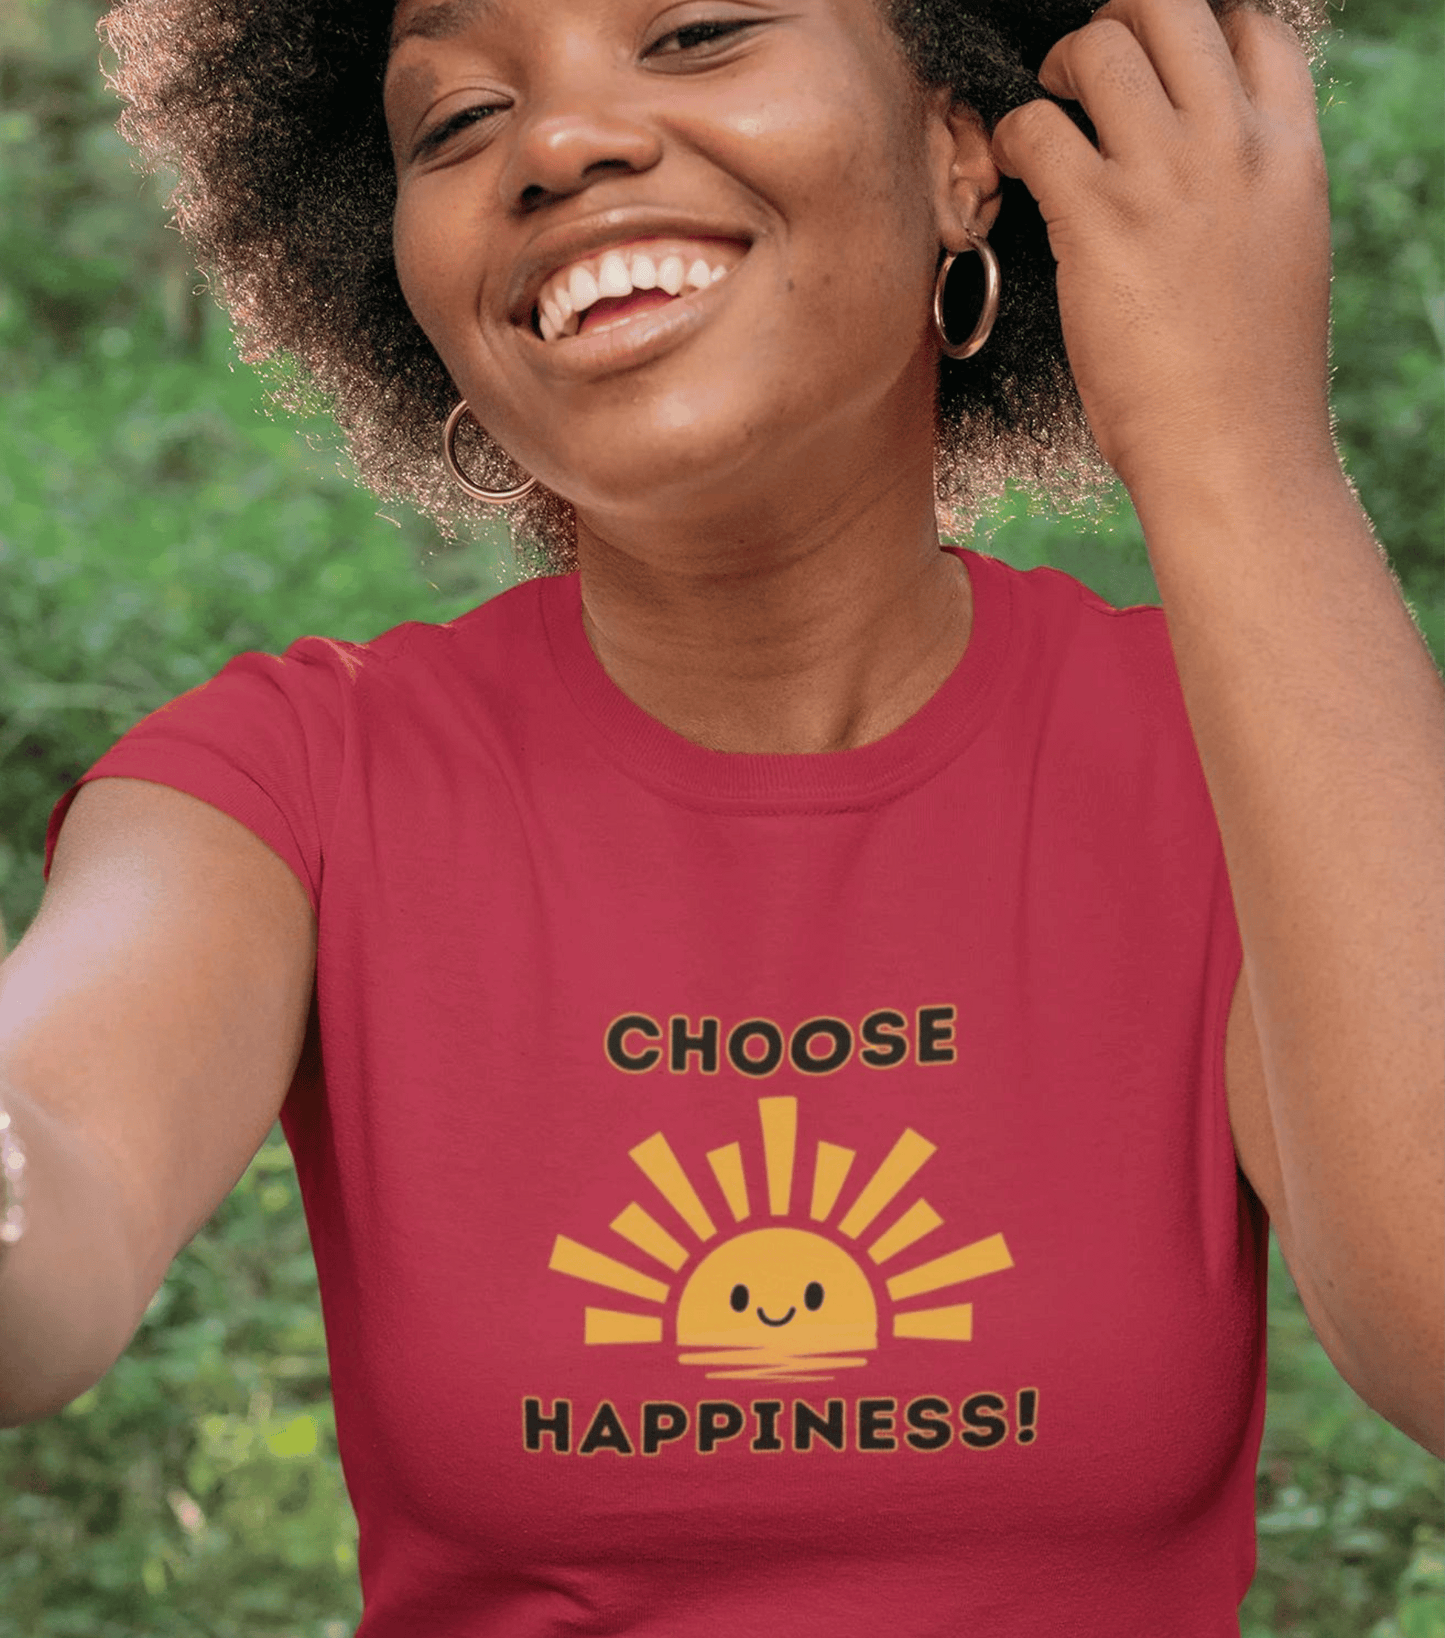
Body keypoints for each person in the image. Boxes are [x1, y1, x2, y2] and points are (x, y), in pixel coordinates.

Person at [0, 0, 1440, 1630]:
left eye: (693, 31)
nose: (557, 142)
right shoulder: (290, 782)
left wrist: (1238, 447)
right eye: (456, 119)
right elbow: (53, 1178)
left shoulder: (1228, 753)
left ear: (957, 154)